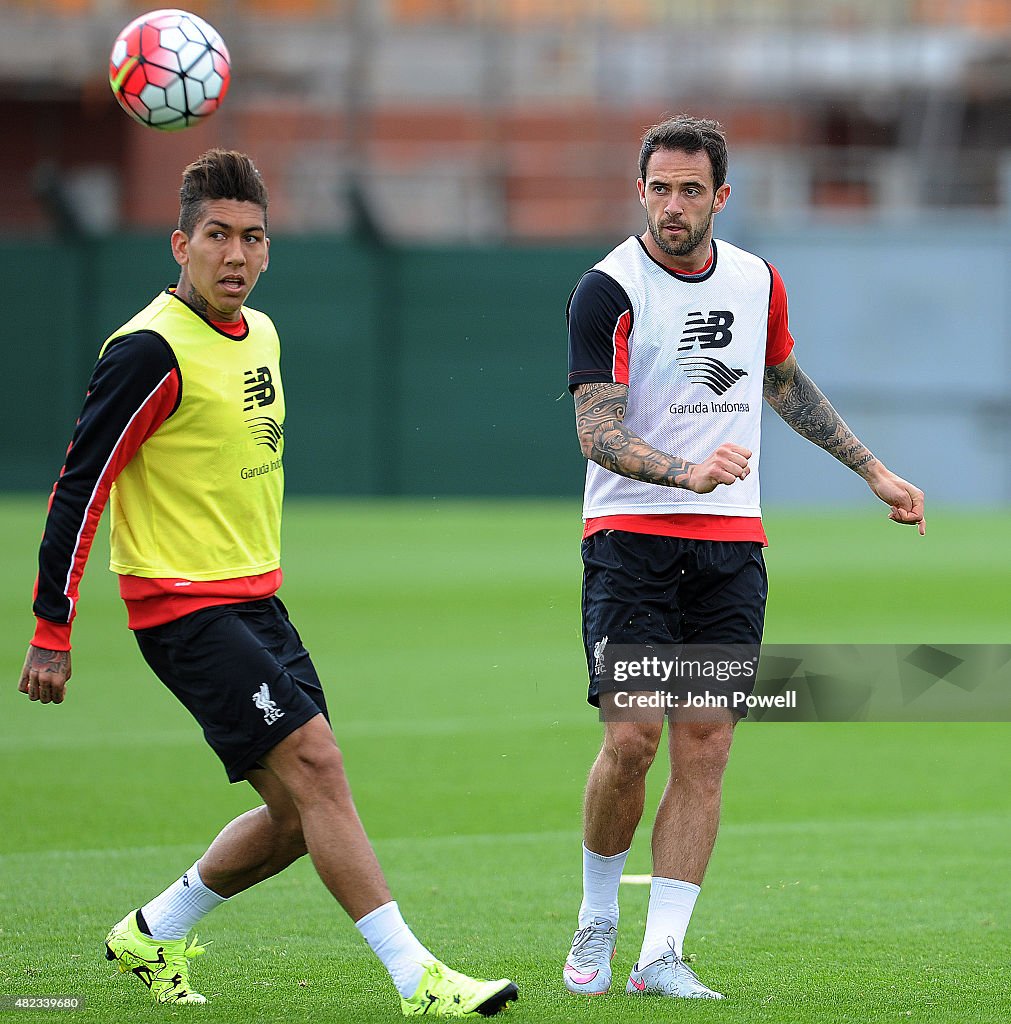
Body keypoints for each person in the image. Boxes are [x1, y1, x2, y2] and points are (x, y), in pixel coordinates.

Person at [18, 148, 518, 1018]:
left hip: (256, 602)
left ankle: (151, 929)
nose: (236, 255)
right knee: (320, 768)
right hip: (182, 608)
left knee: (296, 819)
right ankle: (419, 981)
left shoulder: (267, 332)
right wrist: (52, 629)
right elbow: (80, 485)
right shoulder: (146, 350)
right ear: (180, 244)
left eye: (252, 237)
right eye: (217, 236)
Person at [562, 115, 925, 1000]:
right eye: (659, 187)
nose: (673, 205)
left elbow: (783, 382)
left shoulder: (757, 280)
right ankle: (598, 914)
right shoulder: (606, 288)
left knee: (708, 746)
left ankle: (660, 957)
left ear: (721, 197)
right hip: (630, 542)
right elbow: (595, 430)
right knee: (632, 741)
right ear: (638, 189)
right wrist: (685, 471)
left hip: (731, 546)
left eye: (691, 189)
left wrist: (872, 469)